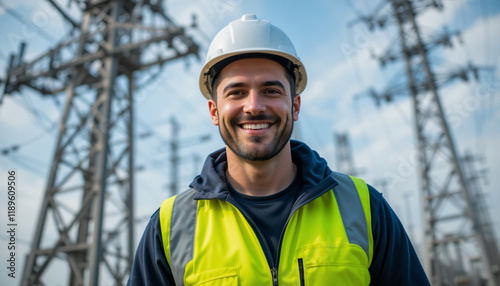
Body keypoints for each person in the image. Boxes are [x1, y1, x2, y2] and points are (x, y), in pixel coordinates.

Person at [128, 14, 430, 285]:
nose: (254, 106)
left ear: (295, 106)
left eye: (271, 90)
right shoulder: (169, 228)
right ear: (214, 111)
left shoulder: (365, 207)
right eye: (237, 92)